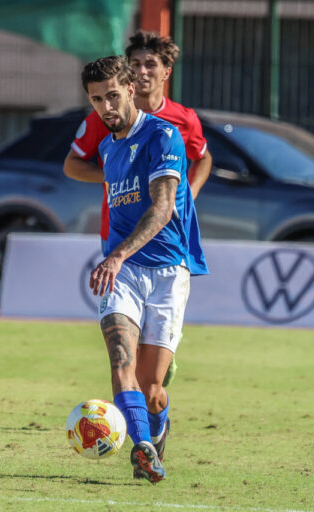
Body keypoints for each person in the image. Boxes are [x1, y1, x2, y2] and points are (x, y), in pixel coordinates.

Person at [74, 55, 208, 484]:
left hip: (169, 269)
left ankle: (156, 424)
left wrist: (117, 254)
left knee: (152, 389)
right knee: (119, 359)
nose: (105, 107)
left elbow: (164, 207)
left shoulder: (163, 135)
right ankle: (143, 448)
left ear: (131, 89)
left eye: (112, 95)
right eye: (97, 100)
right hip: (124, 271)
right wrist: (116, 258)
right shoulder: (107, 147)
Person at [64, 30, 211, 387]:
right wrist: (117, 176)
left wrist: (186, 192)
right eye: (135, 64)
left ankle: (154, 375)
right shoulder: (106, 114)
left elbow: (203, 159)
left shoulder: (181, 119)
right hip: (118, 233)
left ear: (166, 72)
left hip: (165, 234)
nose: (142, 71)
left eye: (150, 64)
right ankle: (137, 400)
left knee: (152, 354)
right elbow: (72, 164)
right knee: (124, 338)